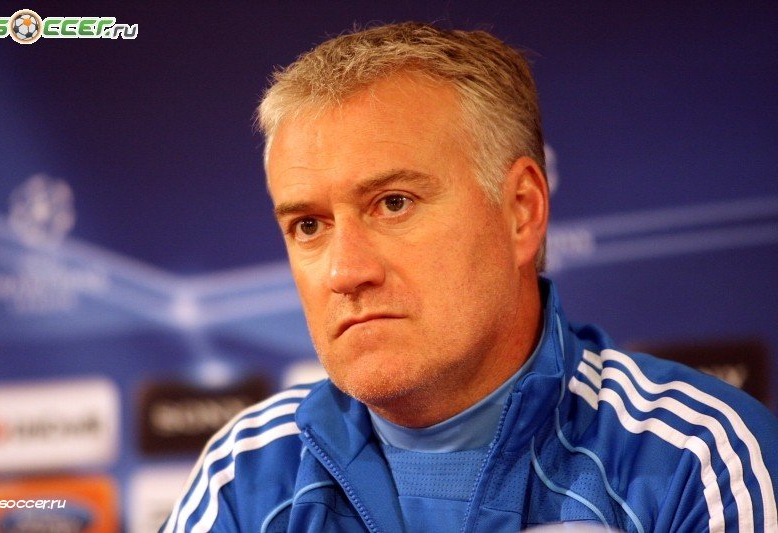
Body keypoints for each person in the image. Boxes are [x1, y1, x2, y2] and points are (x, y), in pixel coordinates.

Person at [162, 22, 778, 532]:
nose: (346, 272)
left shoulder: (697, 460)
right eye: (308, 225)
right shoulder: (244, 475)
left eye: (394, 203)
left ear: (521, 212)